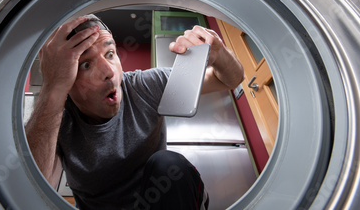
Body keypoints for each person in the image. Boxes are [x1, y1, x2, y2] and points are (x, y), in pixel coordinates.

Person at [25, 14, 244, 210]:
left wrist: (220, 53)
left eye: (110, 53)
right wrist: (53, 89)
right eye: (86, 65)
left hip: (162, 205)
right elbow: (29, 190)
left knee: (168, 163)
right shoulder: (56, 119)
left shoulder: (145, 86)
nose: (109, 72)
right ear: (66, 80)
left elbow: (229, 79)